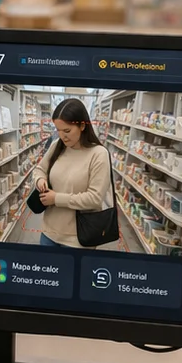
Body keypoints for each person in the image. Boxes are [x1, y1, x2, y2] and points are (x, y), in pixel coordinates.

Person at [33, 97, 114, 249]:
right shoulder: (58, 145)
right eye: (58, 130)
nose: (62, 136)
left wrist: (56, 198)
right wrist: (40, 181)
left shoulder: (98, 154)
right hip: (48, 233)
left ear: (82, 125)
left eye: (67, 131)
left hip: (79, 239)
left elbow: (95, 198)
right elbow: (40, 170)